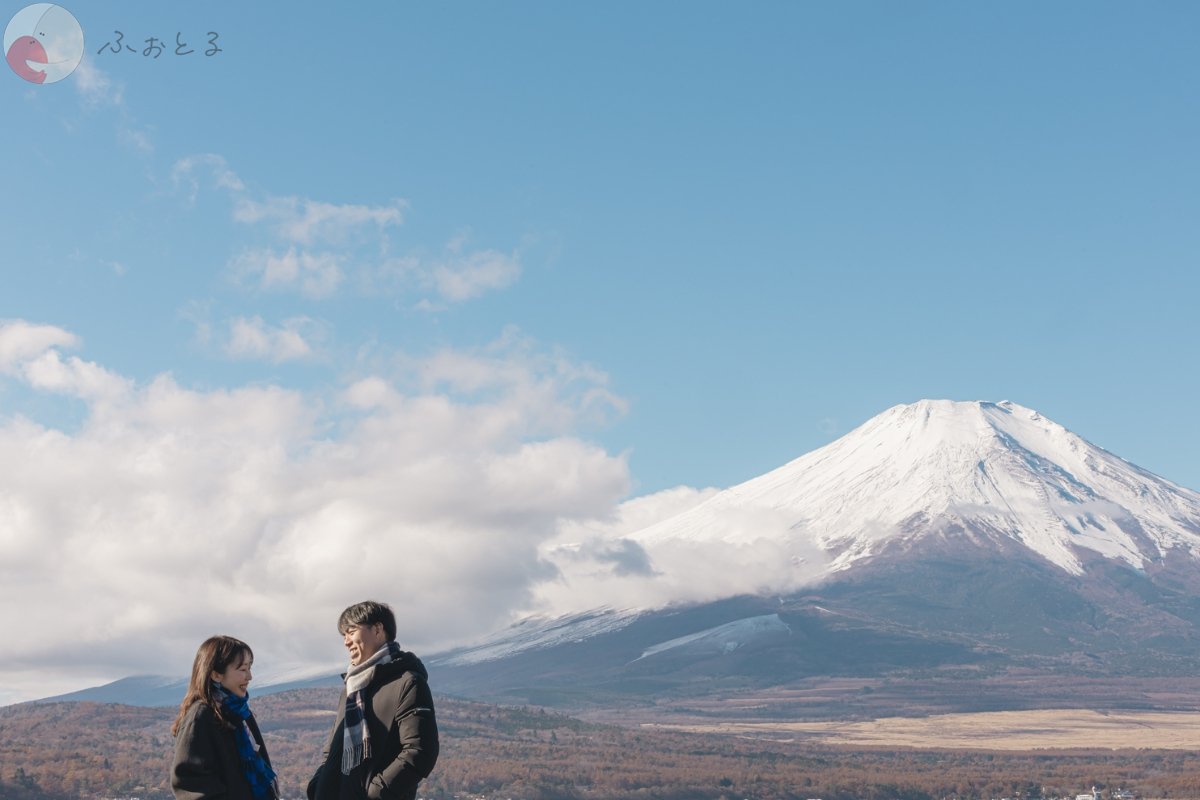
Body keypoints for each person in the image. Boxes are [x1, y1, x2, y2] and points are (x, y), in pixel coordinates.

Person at [308, 601, 439, 800]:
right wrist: (318, 786)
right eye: (344, 635)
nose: (346, 641)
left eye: (351, 631)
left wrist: (376, 792)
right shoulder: (351, 689)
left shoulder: (408, 683)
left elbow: (420, 752)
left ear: (378, 630)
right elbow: (332, 751)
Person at [171, 635, 279, 800]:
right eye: (242, 669)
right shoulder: (201, 717)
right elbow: (190, 784)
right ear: (216, 674)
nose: (249, 676)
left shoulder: (240, 713)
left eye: (250, 668)